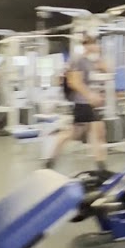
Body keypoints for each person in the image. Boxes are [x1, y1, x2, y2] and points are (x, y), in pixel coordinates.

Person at [46, 36, 108, 174]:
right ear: (85, 46)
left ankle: (101, 167)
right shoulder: (78, 60)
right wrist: (90, 95)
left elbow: (103, 75)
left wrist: (103, 67)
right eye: (92, 44)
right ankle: (101, 167)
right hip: (83, 102)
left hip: (91, 104)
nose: (95, 47)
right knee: (88, 132)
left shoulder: (93, 62)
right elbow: (74, 82)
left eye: (96, 44)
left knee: (91, 133)